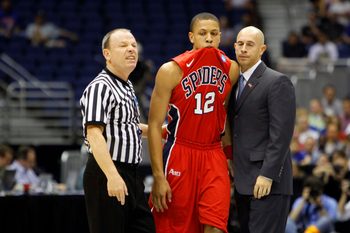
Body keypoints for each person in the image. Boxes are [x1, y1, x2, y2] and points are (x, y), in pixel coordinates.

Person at [147, 12, 239, 233]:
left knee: (215, 225)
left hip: (213, 154)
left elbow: (222, 116)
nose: (209, 38)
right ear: (191, 37)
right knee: (178, 227)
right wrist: (158, 177)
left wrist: (228, 156)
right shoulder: (171, 70)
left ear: (220, 37)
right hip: (181, 153)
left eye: (214, 34)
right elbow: (153, 125)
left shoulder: (231, 69)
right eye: (203, 33)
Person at [80, 28, 155, 233]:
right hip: (107, 171)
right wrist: (112, 175)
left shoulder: (127, 85)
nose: (131, 49)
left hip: (132, 173)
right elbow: (94, 134)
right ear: (107, 54)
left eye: (133, 45)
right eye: (123, 46)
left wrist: (160, 131)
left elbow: (127, 126)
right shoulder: (100, 87)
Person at [227, 26, 296, 233]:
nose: (244, 49)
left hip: (268, 181)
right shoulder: (232, 83)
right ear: (234, 46)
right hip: (243, 180)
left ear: (262, 49)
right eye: (240, 44)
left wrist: (268, 174)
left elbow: (281, 135)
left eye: (250, 45)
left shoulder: (277, 81)